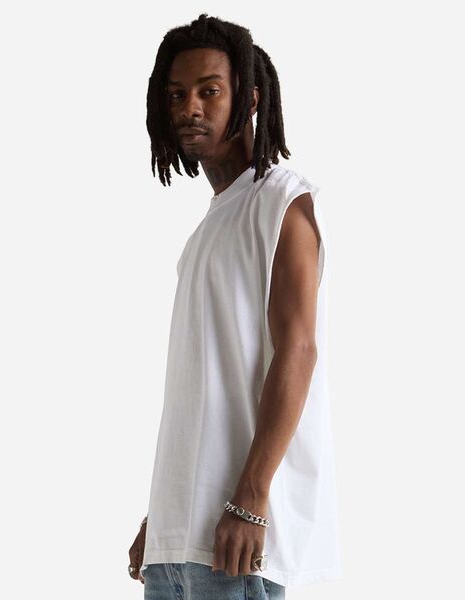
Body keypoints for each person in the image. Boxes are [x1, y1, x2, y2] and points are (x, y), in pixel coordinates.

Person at [128, 13, 342, 599]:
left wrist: (250, 498)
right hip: (181, 543)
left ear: (248, 99)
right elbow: (201, 388)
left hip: (238, 544)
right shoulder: (210, 226)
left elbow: (298, 350)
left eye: (209, 91)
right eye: (177, 95)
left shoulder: (283, 203)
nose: (189, 108)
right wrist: (163, 516)